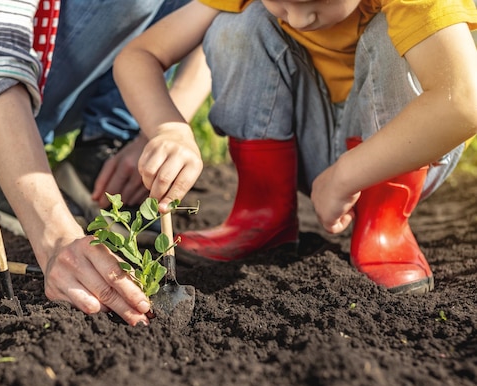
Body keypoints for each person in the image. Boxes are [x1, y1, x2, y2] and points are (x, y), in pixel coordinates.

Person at [113, 0, 477, 295]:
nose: (300, 19)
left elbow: (463, 103)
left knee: (392, 35)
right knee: (237, 23)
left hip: (401, 154)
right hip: (305, 148)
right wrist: (170, 130)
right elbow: (138, 56)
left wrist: (346, 176)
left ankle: (384, 226)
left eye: (314, 2)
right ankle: (261, 213)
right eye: (282, 2)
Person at [0, 0, 211, 326]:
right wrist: (57, 238)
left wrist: (159, 130)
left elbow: (224, 9)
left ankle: (95, 160)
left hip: (67, 61)